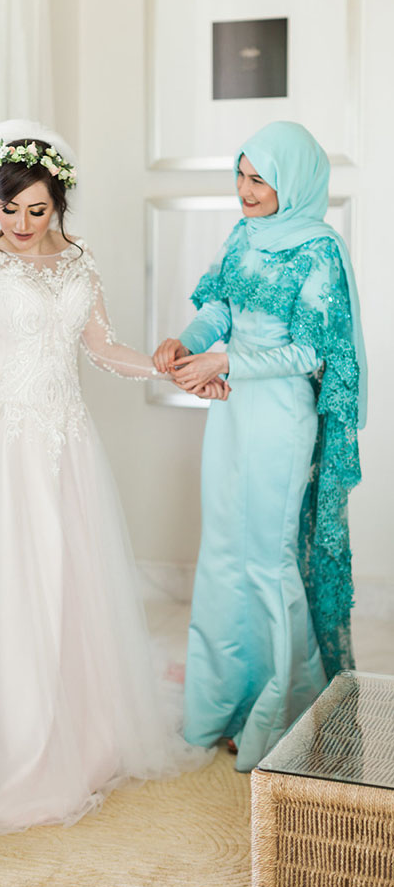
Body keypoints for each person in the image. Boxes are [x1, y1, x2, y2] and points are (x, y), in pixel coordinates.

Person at [0, 121, 225, 833]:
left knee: (67, 582)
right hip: (2, 447)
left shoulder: (80, 264)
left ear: (58, 204)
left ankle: (74, 735)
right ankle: (1, 744)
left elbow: (104, 349)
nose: (21, 224)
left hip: (65, 443)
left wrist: (169, 370)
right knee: (2, 584)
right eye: (8, 208)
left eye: (36, 209)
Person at [154, 122, 367, 772]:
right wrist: (186, 341)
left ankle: (283, 715)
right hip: (232, 412)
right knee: (223, 553)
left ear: (292, 182)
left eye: (258, 179)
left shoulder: (319, 249)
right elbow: (219, 306)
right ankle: (223, 706)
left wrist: (225, 361)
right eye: (240, 176)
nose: (244, 191)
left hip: (278, 414)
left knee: (270, 559)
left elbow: (310, 353)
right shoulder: (243, 235)